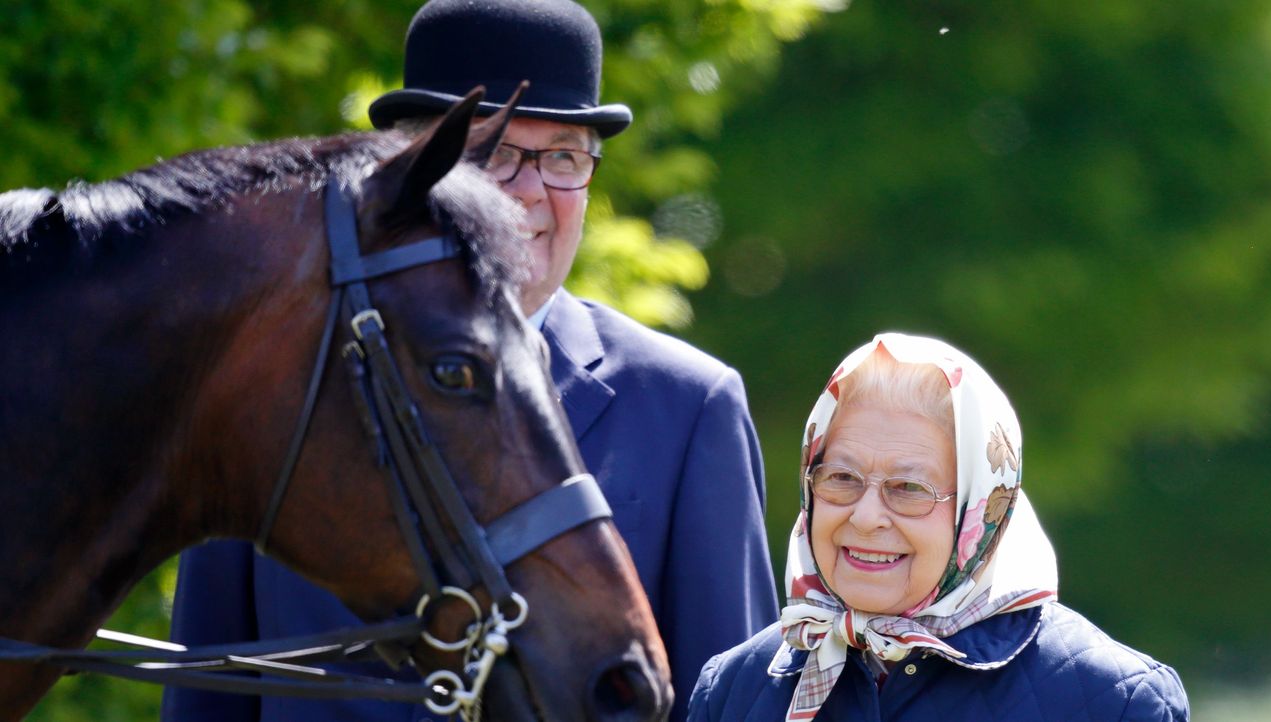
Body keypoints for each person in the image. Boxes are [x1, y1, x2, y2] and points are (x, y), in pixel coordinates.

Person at [161, 1, 776, 721]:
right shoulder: (263, 392)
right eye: (491, 152)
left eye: (563, 156)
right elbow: (206, 695)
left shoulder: (689, 407)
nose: (527, 189)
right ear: (409, 167)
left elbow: (730, 705)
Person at [689, 332, 1189, 721]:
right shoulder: (737, 687)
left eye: (908, 488)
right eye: (841, 477)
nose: (864, 517)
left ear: (978, 514)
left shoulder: (1115, 701)